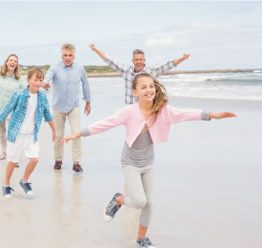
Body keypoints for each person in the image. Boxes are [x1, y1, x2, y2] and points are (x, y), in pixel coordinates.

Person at [61, 73, 236, 247]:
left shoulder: (163, 110)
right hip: (130, 162)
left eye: (151, 86)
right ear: (135, 92)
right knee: (139, 201)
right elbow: (107, 122)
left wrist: (213, 115)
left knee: (149, 203)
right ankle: (118, 200)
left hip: (148, 163)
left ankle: (141, 238)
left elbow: (185, 114)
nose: (149, 89)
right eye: (143, 87)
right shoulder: (129, 111)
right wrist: (80, 133)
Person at [0, 68, 56, 198]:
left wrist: (54, 130)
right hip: (16, 134)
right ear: (28, 80)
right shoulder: (19, 94)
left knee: (34, 159)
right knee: (12, 161)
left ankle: (24, 181)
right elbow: (6, 110)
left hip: (31, 135)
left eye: (40, 80)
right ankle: (6, 184)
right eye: (35, 80)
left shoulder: (42, 96)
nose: (38, 83)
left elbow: (47, 114)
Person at [89, 43, 190, 105]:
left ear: (144, 60)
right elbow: (110, 60)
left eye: (140, 59)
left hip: (145, 110)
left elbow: (167, 65)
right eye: (136, 59)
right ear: (132, 60)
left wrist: (182, 58)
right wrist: (95, 50)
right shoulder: (126, 71)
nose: (138, 62)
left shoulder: (150, 72)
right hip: (130, 110)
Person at [43, 43, 91, 172]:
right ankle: (58, 160)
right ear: (61, 55)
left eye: (70, 55)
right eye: (65, 55)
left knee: (76, 133)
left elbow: (85, 84)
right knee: (59, 135)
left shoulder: (80, 68)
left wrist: (88, 101)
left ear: (74, 56)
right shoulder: (55, 67)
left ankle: (76, 162)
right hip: (58, 107)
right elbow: (47, 78)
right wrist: (45, 84)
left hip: (73, 106)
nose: (68, 57)